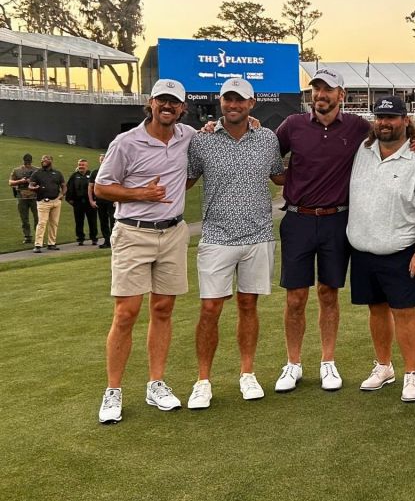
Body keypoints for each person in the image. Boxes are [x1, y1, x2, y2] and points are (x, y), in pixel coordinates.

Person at [94, 79, 195, 423]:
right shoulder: (126, 143)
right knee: (126, 312)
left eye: (174, 102)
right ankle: (113, 390)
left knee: (163, 308)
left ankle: (156, 384)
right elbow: (102, 188)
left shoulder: (188, 136)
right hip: (133, 232)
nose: (168, 107)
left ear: (182, 108)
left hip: (173, 232)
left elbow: (216, 136)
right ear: (150, 103)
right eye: (162, 100)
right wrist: (141, 194)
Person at [184, 78, 286, 409]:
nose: (234, 105)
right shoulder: (202, 141)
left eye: (240, 100)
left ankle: (247, 373)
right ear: (220, 101)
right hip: (216, 236)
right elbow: (184, 180)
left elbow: (278, 176)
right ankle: (203, 381)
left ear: (251, 103)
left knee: (248, 305)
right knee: (210, 308)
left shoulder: (267, 139)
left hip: (258, 235)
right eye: (228, 99)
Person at [273, 67, 370, 394]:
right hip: (298, 220)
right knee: (295, 297)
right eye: (316, 89)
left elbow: (391, 135)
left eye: (327, 90)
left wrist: (414, 138)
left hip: (337, 221)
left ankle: (328, 362)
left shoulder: (357, 127)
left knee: (329, 293)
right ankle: (293, 363)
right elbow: (267, 154)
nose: (320, 95)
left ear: (341, 95)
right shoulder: (293, 125)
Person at [349, 96, 415, 402]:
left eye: (392, 118)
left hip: (401, 249)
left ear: (405, 120)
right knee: (376, 309)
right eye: (380, 117)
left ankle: (411, 372)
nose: (385, 123)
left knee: (404, 312)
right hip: (363, 249)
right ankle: (384, 366)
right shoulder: (362, 150)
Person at [28, 154, 66, 253]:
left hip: (56, 201)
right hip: (43, 202)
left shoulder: (57, 173)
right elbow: (30, 185)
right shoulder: (37, 173)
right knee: (42, 223)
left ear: (51, 161)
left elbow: (63, 185)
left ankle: (51, 243)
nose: (43, 160)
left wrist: (62, 194)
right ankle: (38, 245)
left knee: (54, 223)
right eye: (42, 159)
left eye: (46, 159)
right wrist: (33, 188)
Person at [66, 158, 98, 246]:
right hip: (78, 202)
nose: (81, 166)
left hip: (90, 202)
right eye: (80, 165)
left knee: (92, 221)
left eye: (83, 165)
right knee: (79, 222)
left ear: (87, 166)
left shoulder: (91, 175)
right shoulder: (74, 176)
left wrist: (95, 200)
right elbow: (69, 188)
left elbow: (96, 187)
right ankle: (80, 238)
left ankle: (94, 238)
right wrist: (70, 200)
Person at [9, 153, 38, 245]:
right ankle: (27, 236)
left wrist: (32, 182)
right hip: (22, 197)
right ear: (23, 160)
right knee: (24, 218)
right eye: (26, 160)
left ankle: (38, 236)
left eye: (28, 160)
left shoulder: (37, 170)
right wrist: (21, 181)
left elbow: (42, 182)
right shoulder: (16, 170)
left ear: (31, 160)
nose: (27, 162)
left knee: (38, 217)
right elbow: (10, 182)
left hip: (35, 197)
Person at [89, 153, 116, 248]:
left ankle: (114, 241)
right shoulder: (95, 172)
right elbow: (90, 187)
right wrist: (91, 200)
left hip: (111, 199)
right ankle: (107, 241)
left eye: (104, 159)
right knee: (103, 221)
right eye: (101, 159)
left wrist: (117, 200)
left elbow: (118, 185)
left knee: (113, 221)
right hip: (100, 200)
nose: (102, 161)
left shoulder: (114, 171)